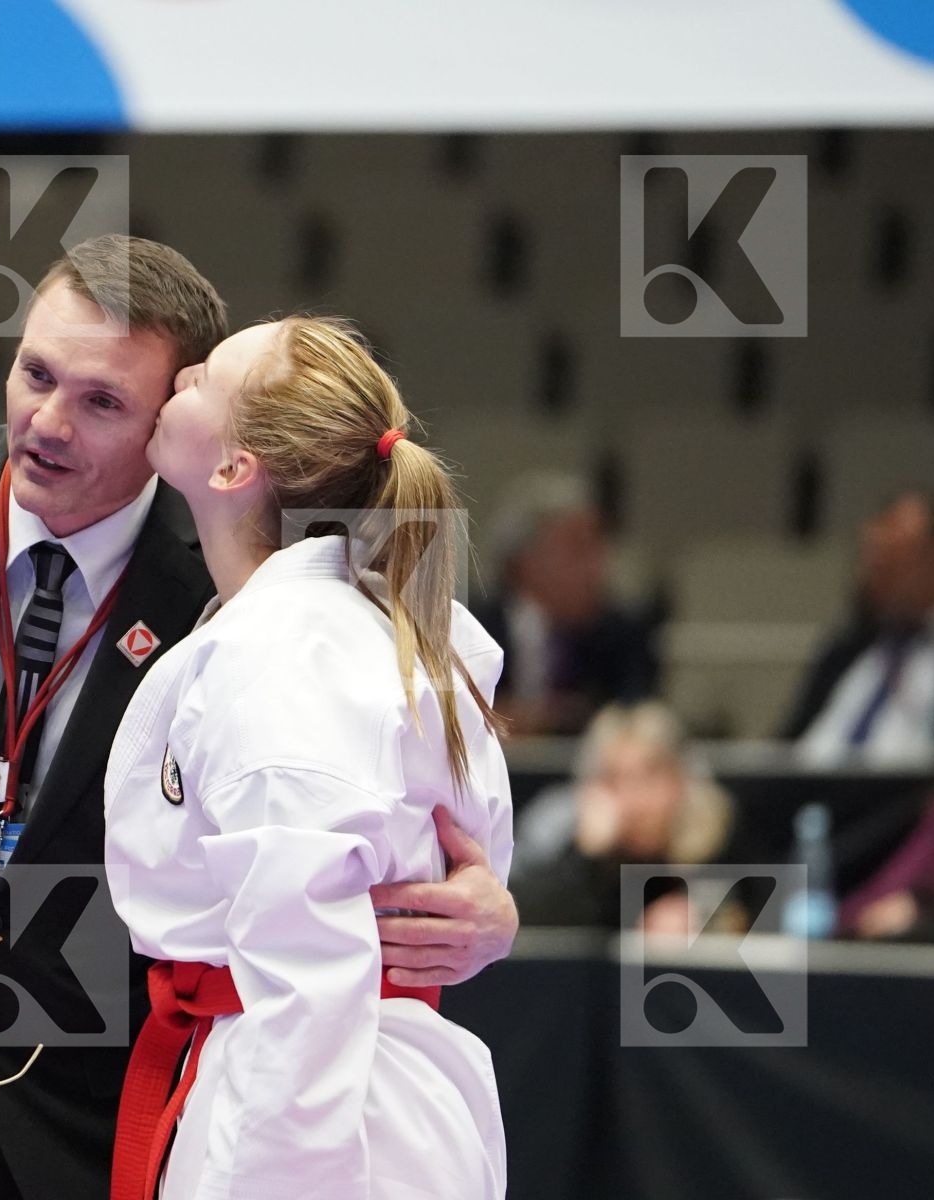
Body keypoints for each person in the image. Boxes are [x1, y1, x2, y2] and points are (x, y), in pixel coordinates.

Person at [0, 236, 520, 1200]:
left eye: (103, 401)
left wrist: (481, 905)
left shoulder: (243, 588)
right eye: (35, 373)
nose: (47, 423)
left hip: (87, 1134)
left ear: (170, 426)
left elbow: (360, 814)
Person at [104, 315, 514, 1199]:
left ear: (231, 467)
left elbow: (307, 983)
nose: (179, 379)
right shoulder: (378, 628)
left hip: (317, 1112)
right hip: (351, 1092)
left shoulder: (287, 657)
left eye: (202, 375)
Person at [509, 701, 740, 933]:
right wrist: (586, 857)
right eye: (614, 780)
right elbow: (519, 918)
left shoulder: (719, 835)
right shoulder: (576, 849)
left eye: (649, 777)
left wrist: (705, 919)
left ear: (681, 779)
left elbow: (753, 910)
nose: (633, 801)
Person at [473, 472, 657, 737]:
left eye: (599, 550)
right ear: (524, 560)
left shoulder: (625, 634)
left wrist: (555, 719)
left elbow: (635, 721)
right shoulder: (471, 625)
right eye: (578, 549)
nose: (597, 568)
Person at [784, 488, 934, 767]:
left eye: (894, 560)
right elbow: (789, 742)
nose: (874, 573)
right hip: (811, 792)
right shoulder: (847, 649)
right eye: (873, 558)